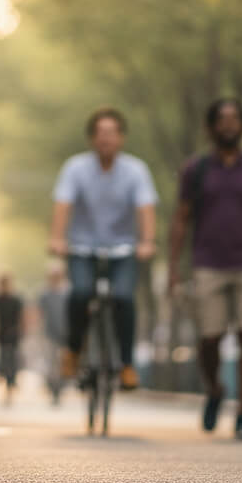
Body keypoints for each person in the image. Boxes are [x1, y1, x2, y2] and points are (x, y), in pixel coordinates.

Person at [168, 98, 242, 441]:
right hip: (208, 264)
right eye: (222, 119)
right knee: (209, 339)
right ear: (211, 127)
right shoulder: (197, 169)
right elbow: (181, 218)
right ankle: (216, 389)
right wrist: (175, 267)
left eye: (235, 119)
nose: (229, 125)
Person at [49, 107, 158, 391]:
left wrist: (147, 242)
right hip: (82, 247)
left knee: (123, 297)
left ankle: (126, 365)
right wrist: (57, 238)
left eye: (112, 133)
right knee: (81, 292)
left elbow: (145, 209)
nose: (106, 139)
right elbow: (63, 205)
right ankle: (73, 351)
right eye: (100, 133)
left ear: (122, 138)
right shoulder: (75, 168)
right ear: (91, 139)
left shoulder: (136, 170)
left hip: (123, 249)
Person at [0, 274, 25, 405]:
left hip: (14, 334)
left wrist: (22, 329)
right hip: (1, 334)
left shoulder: (16, 300)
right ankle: (2, 375)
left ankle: (12, 381)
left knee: (13, 359)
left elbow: (22, 316)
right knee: (3, 358)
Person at [37, 263, 69, 403]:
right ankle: (52, 387)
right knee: (51, 362)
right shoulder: (44, 293)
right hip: (49, 333)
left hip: (66, 333)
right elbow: (39, 313)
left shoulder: (68, 293)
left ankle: (61, 386)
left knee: (63, 362)